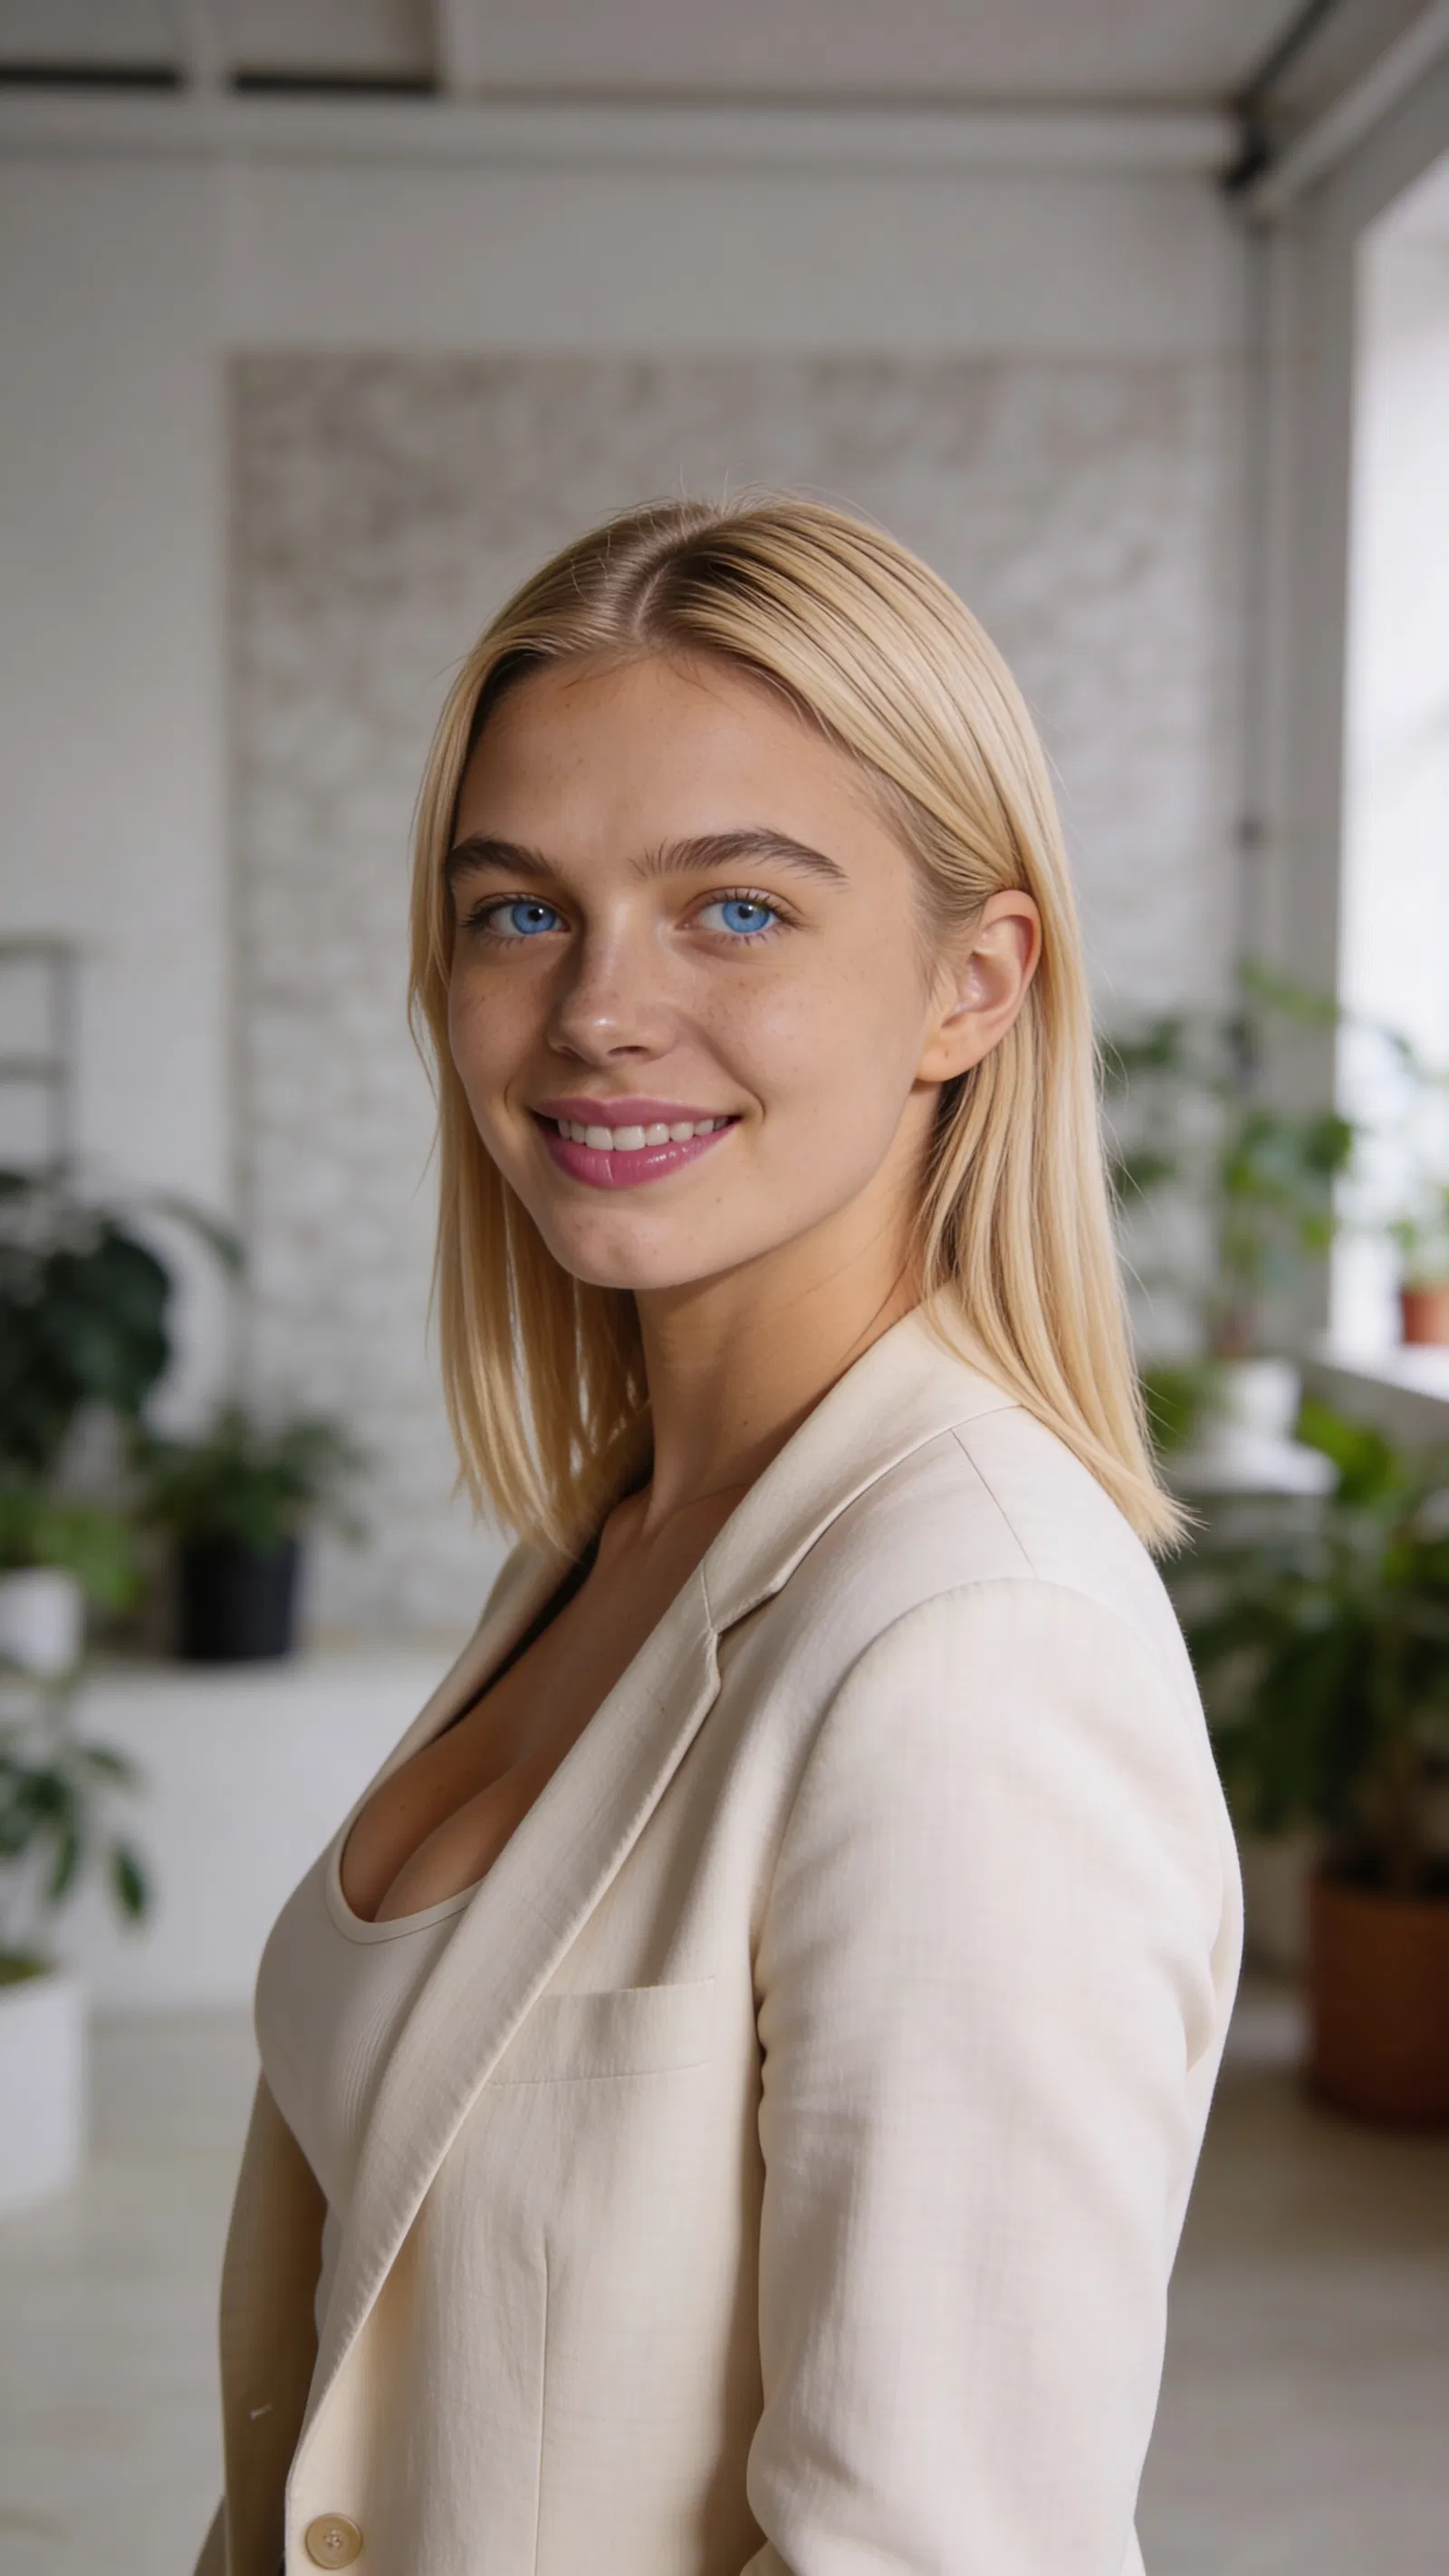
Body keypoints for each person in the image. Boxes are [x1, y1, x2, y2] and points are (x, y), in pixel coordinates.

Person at [195, 495, 1242, 2576]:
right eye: (516, 911)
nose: (595, 1011)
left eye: (735, 911)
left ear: (970, 983)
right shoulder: (614, 1540)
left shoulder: (973, 1641)